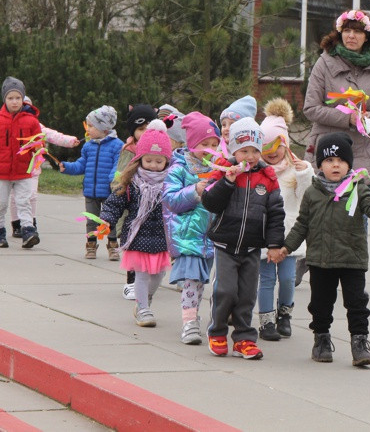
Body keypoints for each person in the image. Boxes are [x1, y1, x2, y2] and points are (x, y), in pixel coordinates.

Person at [280, 132, 370, 366]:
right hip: (321, 260)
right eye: (329, 161)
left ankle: (360, 343)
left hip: (352, 258)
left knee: (357, 303)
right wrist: (287, 247)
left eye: (341, 160)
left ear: (349, 163)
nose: (336, 165)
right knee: (320, 304)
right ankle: (321, 340)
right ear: (320, 164)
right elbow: (302, 224)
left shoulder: (358, 187)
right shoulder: (312, 192)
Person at [202, 117, 285, 360]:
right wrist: (227, 181)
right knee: (226, 290)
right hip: (226, 244)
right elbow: (210, 202)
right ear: (234, 151)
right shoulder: (222, 171)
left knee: (247, 295)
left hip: (251, 247)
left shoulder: (268, 178)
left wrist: (274, 244)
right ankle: (217, 331)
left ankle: (244, 338)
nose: (249, 157)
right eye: (243, 151)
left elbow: (276, 214)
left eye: (254, 151)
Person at [302, 9, 370, 182]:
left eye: (357, 31)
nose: (351, 36)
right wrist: (347, 117)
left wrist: (368, 118)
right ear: (340, 33)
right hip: (327, 148)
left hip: (361, 151)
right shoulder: (324, 63)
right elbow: (310, 108)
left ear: (367, 36)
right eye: (347, 31)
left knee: (360, 206)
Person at [100, 120, 173, 327]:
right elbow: (115, 202)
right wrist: (107, 219)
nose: (153, 165)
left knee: (158, 275)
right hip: (137, 234)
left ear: (166, 162)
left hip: (161, 235)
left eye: (159, 161)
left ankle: (145, 300)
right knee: (141, 275)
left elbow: (179, 205)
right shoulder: (132, 182)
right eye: (148, 160)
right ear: (139, 159)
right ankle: (142, 309)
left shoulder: (170, 183)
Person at [162, 111, 221, 345]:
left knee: (206, 282)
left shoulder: (219, 167)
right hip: (188, 234)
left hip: (212, 236)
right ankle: (189, 323)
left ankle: (205, 319)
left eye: (215, 144)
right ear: (192, 143)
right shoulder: (179, 168)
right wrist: (195, 191)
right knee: (192, 281)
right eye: (204, 144)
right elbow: (170, 200)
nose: (210, 148)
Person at [256, 98, 313, 341]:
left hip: (289, 234)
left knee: (288, 277)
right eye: (265, 148)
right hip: (264, 234)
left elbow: (305, 198)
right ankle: (266, 320)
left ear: (285, 144)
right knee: (267, 279)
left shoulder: (296, 169)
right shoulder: (257, 170)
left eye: (276, 147)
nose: (272, 154)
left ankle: (285, 314)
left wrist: (304, 173)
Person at [9, 95, 80, 239]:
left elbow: (53, 135)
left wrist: (70, 141)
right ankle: (16, 224)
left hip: (32, 168)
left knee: (32, 196)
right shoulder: (8, 124)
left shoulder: (36, 125)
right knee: (14, 197)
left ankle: (31, 223)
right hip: (13, 168)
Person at [60, 105, 124, 259]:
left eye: (91, 126)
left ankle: (113, 246)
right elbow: (82, 164)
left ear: (104, 128)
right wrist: (68, 167)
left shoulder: (117, 145)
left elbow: (118, 165)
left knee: (109, 220)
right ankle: (91, 245)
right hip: (91, 191)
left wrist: (113, 180)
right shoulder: (88, 146)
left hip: (109, 192)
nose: (87, 129)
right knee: (90, 220)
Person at [115, 104, 158, 300]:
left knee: (150, 243)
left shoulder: (160, 149)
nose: (146, 132)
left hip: (153, 206)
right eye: (141, 129)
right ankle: (131, 281)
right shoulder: (129, 150)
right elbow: (119, 178)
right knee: (132, 243)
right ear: (133, 131)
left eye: (149, 128)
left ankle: (146, 279)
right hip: (132, 205)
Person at [0, 77, 42, 249]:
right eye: (10, 98)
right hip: (2, 171)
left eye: (18, 98)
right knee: (1, 203)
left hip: (23, 170)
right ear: (5, 99)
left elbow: (38, 143)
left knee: (23, 201)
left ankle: (28, 231)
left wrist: (38, 150)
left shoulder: (31, 121)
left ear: (23, 98)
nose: (15, 101)